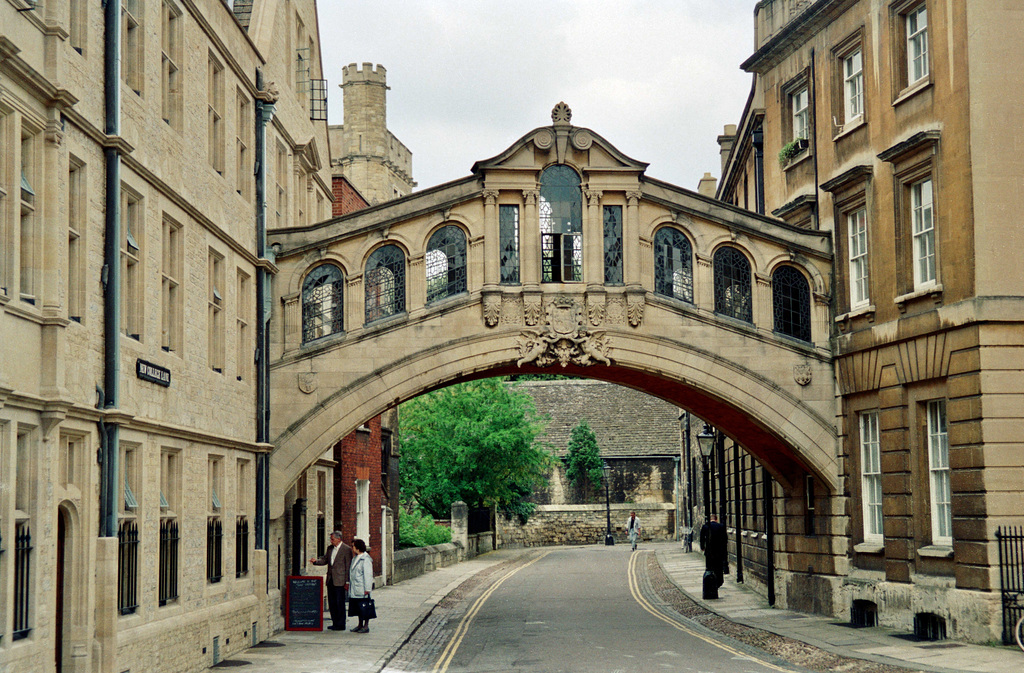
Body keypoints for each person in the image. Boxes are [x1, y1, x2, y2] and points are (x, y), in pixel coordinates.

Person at [310, 530, 353, 631]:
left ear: (339, 539)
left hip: (340, 580)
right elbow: (325, 560)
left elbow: (348, 567)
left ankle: (341, 624)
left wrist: (347, 581)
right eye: (331, 539)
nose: (331, 541)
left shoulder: (346, 549)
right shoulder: (330, 549)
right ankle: (335, 623)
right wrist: (316, 562)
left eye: (332, 539)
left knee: (340, 602)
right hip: (330, 579)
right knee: (332, 602)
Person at [348, 538, 374, 633]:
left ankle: (366, 626)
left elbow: (368, 575)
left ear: (358, 547)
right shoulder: (355, 558)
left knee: (365, 607)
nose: (352, 548)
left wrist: (368, 588)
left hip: (362, 588)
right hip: (355, 587)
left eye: (353, 546)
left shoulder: (365, 559)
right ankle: (359, 624)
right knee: (358, 607)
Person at [699, 513, 728, 590]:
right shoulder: (721, 526)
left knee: (710, 567)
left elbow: (702, 538)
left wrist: (702, 547)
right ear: (716, 519)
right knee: (719, 567)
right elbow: (725, 539)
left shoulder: (705, 526)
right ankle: (718, 581)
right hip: (719, 551)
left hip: (709, 551)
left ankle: (711, 581)